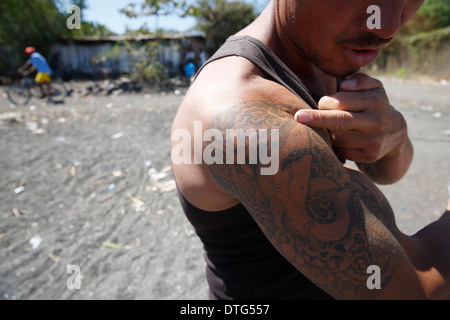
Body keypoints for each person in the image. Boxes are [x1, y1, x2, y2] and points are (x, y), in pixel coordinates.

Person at [171, 0, 450, 299]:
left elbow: (387, 171)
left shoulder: (326, 55)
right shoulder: (243, 117)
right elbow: (413, 293)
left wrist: (394, 135)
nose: (387, 25)